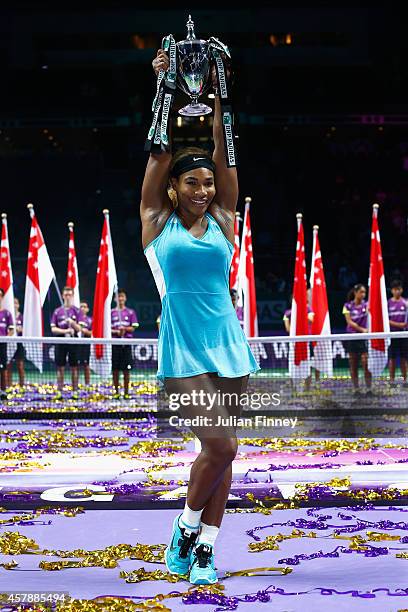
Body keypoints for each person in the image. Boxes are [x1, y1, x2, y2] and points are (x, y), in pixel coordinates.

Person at [140, 48, 259, 585]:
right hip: (182, 349)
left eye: (208, 184)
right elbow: (159, 154)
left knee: (223, 457)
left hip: (229, 344)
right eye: (193, 183)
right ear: (173, 189)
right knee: (222, 445)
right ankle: (186, 526)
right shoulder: (154, 221)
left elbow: (225, 154)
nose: (203, 189)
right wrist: (167, 88)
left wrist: (222, 94)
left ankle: (206, 551)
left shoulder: (225, 219)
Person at [50, 286, 81, 398]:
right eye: (66, 294)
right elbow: (53, 329)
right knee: (60, 367)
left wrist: (72, 323)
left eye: (70, 294)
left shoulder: (77, 311)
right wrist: (65, 330)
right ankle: (59, 392)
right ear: (63, 296)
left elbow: (79, 329)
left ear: (72, 296)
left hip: (73, 341)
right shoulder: (57, 311)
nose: (68, 296)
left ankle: (75, 392)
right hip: (61, 341)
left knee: (74, 367)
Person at [283, 295, 319, 389]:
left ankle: (307, 388)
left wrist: (301, 313)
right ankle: (293, 388)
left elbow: (311, 320)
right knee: (292, 364)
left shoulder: (308, 310)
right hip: (293, 343)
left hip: (307, 342)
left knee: (308, 364)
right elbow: (288, 329)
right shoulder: (288, 313)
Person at [342, 283, 372, 395]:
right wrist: (362, 329)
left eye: (365, 292)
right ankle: (356, 389)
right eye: (361, 292)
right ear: (355, 293)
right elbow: (349, 322)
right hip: (352, 337)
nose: (363, 294)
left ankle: (369, 389)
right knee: (353, 365)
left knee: (366, 363)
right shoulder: (347, 306)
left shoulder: (367, 305)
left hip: (363, 339)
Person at [111, 289, 139, 399]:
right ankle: (116, 392)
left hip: (126, 344)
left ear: (125, 298)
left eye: (122, 296)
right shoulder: (111, 313)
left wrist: (125, 329)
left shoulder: (130, 312)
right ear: (115, 299)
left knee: (126, 370)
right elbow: (107, 329)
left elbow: (134, 327)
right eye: (118, 297)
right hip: (115, 344)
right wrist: (116, 332)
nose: (120, 299)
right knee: (115, 370)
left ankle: (127, 393)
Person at [387, 279, 408, 385]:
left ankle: (405, 380)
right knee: (392, 358)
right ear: (392, 291)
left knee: (404, 358)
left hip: (404, 335)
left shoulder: (406, 303)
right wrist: (399, 325)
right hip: (392, 335)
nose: (397, 291)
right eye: (395, 289)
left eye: (399, 289)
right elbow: (386, 320)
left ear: (402, 290)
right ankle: (391, 381)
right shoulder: (388, 304)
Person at [6, 297, 25, 388]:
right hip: (9, 344)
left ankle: (21, 386)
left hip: (19, 344)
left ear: (18, 305)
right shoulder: (8, 316)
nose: (14, 305)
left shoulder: (22, 317)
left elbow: (26, 329)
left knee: (20, 366)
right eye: (12, 303)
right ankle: (8, 386)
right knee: (8, 366)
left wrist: (20, 329)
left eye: (16, 303)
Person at [0, 288, 14, 399]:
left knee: (3, 368)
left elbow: (11, 330)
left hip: (2, 344)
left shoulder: (7, 313)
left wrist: (5, 339)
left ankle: (3, 391)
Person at [78, 300, 92, 385]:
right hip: (77, 344)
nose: (82, 308)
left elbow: (94, 333)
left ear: (88, 309)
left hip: (87, 345)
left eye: (84, 307)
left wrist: (86, 332)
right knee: (77, 366)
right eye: (81, 307)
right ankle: (77, 384)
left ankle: (87, 384)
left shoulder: (90, 320)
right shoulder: (75, 319)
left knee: (86, 366)